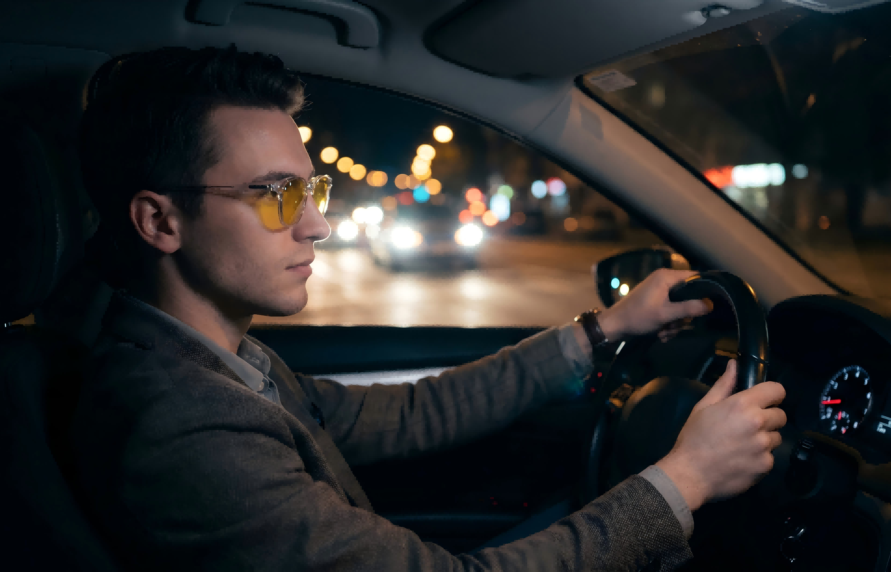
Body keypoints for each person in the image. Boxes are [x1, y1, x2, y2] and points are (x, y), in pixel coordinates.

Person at [71, 46, 787, 571]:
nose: (315, 225)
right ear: (158, 222)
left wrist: (606, 328)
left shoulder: (222, 363)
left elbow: (411, 414)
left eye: (310, 191)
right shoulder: (179, 422)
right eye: (272, 194)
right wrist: (687, 479)